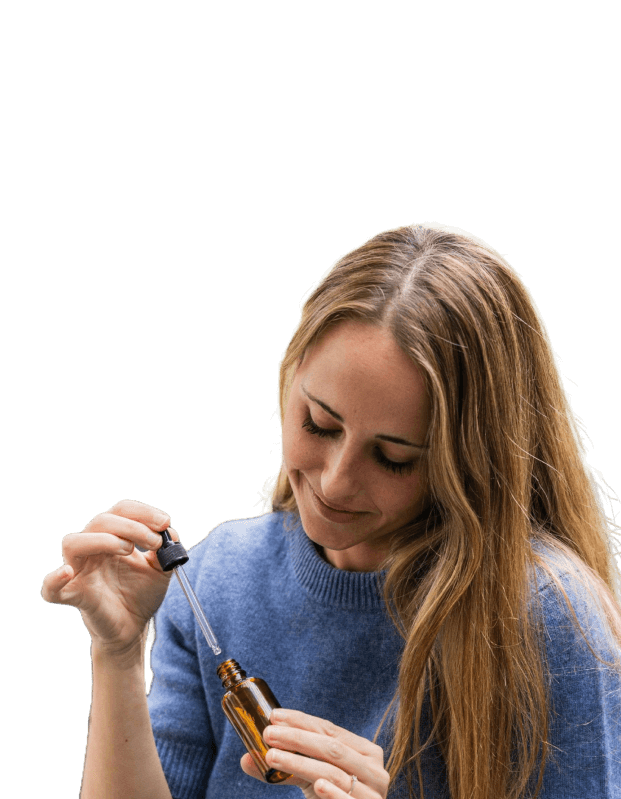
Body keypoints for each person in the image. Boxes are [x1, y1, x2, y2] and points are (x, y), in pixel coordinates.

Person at [42, 222, 621, 799]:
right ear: (288, 377)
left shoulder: (546, 613)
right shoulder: (220, 574)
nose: (336, 482)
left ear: (471, 460)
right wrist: (117, 656)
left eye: (394, 458)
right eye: (319, 423)